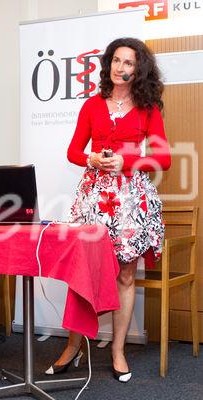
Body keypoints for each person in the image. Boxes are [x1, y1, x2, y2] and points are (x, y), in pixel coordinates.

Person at [47, 38, 171, 382]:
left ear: (138, 69)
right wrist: (92, 158)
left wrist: (127, 160)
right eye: (117, 61)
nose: (121, 68)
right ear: (109, 65)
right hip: (94, 198)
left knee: (125, 275)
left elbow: (164, 158)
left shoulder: (149, 109)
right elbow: (73, 152)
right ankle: (73, 346)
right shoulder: (92, 106)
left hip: (131, 199)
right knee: (83, 270)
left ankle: (117, 350)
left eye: (129, 63)